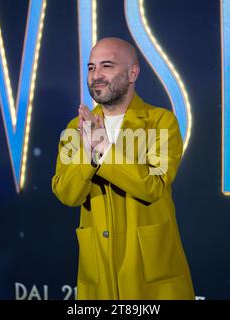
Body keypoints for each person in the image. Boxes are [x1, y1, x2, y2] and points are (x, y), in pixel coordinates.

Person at [52, 37, 195, 300]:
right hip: (99, 272)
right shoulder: (75, 128)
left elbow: (153, 185)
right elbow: (67, 193)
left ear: (132, 73)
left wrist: (104, 149)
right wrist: (90, 157)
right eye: (91, 67)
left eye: (106, 66)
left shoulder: (160, 122)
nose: (96, 75)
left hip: (150, 276)